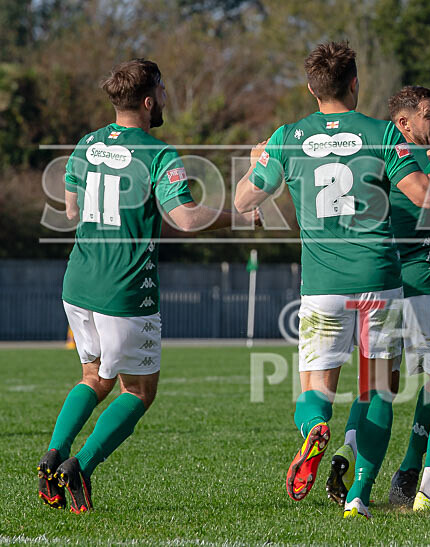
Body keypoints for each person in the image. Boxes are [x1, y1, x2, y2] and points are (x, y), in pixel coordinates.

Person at [234, 42, 430, 520]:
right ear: (355, 83)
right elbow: (426, 198)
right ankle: (359, 495)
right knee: (377, 391)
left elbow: (243, 200)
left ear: (312, 89)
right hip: (379, 280)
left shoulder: (288, 137)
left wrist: (257, 163)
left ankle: (315, 427)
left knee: (315, 389)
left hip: (322, 287)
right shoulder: (381, 134)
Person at [38, 58, 258, 514]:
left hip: (78, 283)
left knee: (93, 378)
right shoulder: (158, 155)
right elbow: (187, 218)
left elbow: (72, 212)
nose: (164, 97)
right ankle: (80, 466)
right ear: (147, 100)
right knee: (138, 390)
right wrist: (240, 218)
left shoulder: (86, 144)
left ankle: (53, 455)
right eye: (161, 89)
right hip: (124, 290)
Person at [325, 86, 430, 513]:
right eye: (429, 114)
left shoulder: (372, 158)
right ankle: (427, 491)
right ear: (403, 124)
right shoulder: (422, 163)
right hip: (421, 280)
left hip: (380, 282)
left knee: (379, 388)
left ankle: (348, 452)